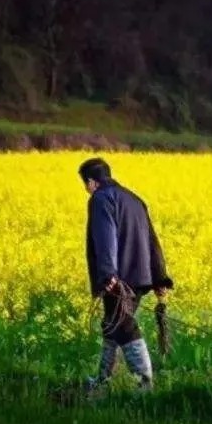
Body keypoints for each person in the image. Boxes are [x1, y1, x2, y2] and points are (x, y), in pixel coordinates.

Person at [78, 157, 173, 392]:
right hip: (140, 276)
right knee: (113, 323)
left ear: (91, 182)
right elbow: (152, 240)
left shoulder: (101, 198)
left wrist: (108, 274)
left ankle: (145, 384)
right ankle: (104, 381)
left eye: (85, 184)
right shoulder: (134, 199)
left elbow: (106, 236)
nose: (86, 189)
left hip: (120, 279)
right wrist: (159, 276)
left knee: (123, 324)